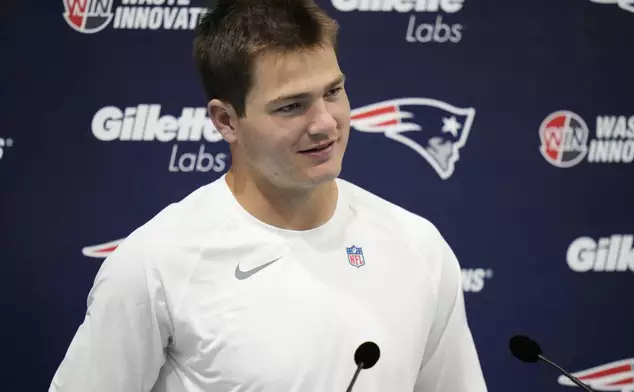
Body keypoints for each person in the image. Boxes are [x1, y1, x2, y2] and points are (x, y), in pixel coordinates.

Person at [49, 0, 488, 391]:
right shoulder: (155, 263)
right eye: (292, 106)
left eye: (333, 92)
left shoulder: (418, 246)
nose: (325, 123)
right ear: (226, 121)